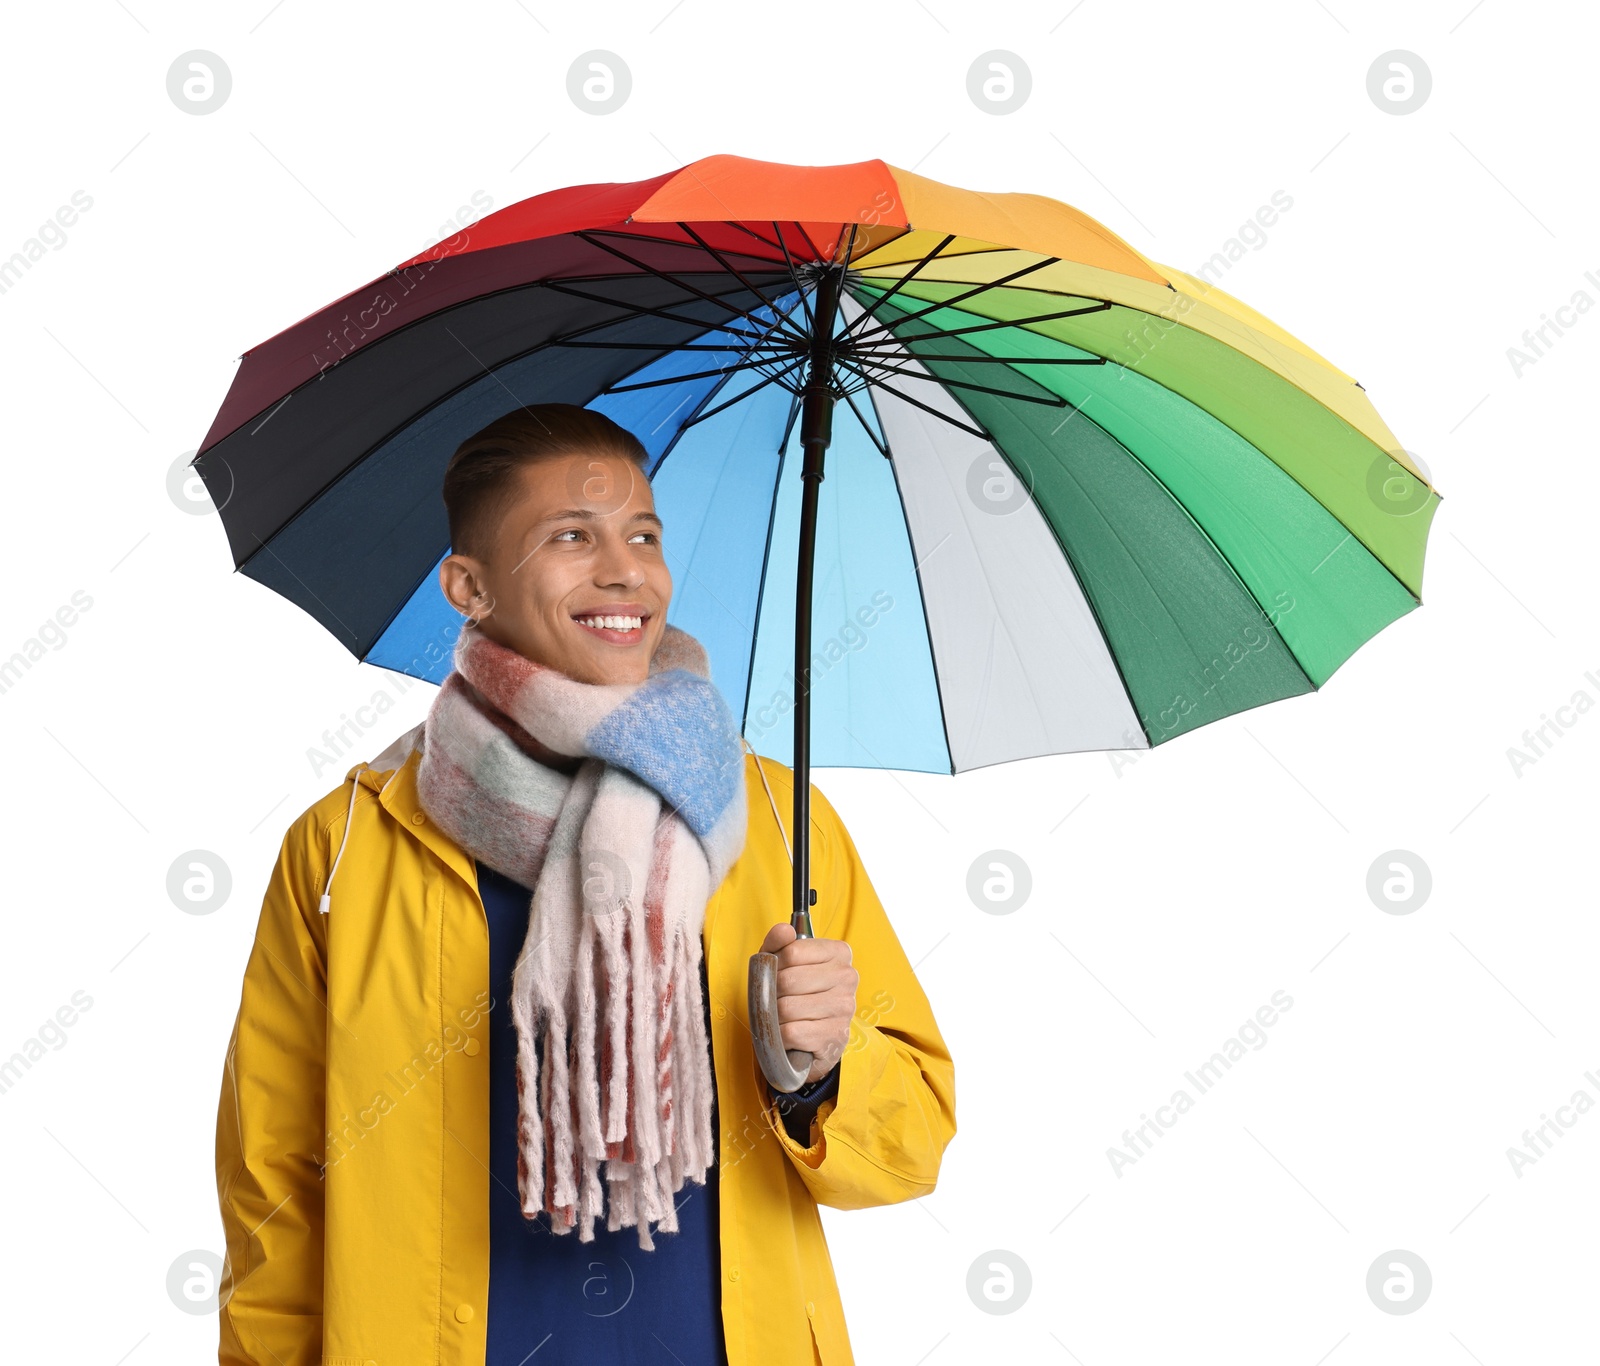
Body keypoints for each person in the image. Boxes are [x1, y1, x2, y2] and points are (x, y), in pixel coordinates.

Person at [213, 403, 957, 1366]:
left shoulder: (774, 821)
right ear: (467, 585)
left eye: (643, 534)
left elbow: (913, 1142)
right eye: (572, 536)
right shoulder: (348, 845)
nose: (625, 570)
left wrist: (821, 1075)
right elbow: (272, 1183)